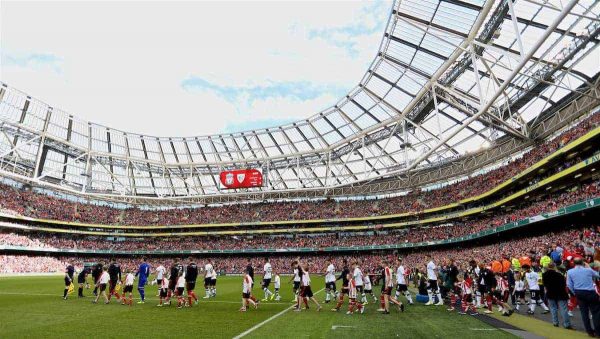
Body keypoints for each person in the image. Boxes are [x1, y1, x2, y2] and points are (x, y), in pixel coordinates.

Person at [567, 258, 600, 337]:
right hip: (590, 292)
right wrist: (588, 267)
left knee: (584, 313)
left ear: (574, 263)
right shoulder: (588, 270)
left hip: (579, 292)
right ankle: (598, 332)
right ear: (582, 263)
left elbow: (569, 284)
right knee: (596, 313)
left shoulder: (570, 271)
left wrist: (575, 292)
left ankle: (590, 332)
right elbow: (598, 275)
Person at [542, 263, 572, 329]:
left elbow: (544, 284)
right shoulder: (559, 275)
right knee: (563, 309)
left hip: (550, 293)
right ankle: (566, 324)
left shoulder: (544, 275)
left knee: (553, 308)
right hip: (560, 293)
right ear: (554, 267)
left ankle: (555, 322)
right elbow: (564, 284)